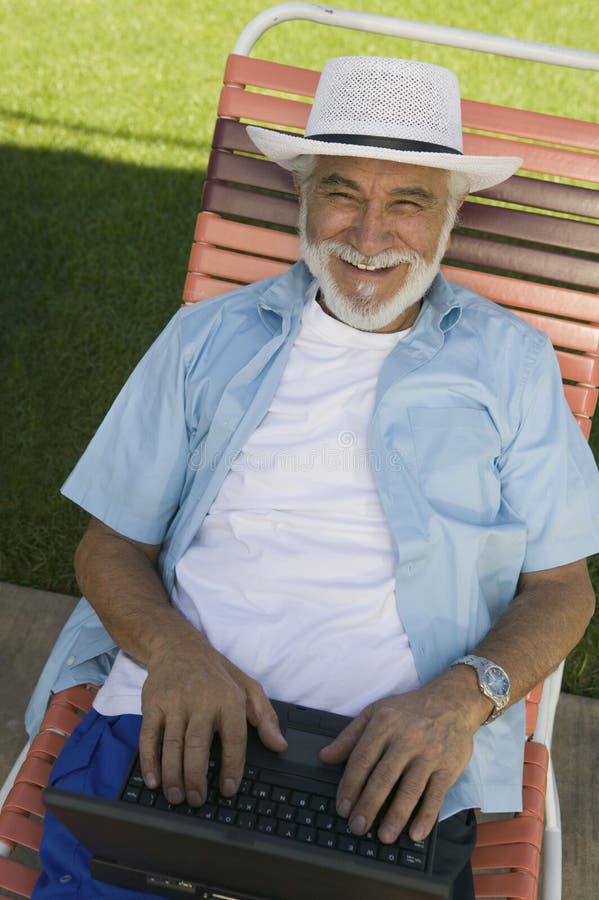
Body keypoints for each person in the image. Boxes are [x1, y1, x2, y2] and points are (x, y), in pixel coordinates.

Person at [31, 56, 599, 899]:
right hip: (173, 721)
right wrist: (174, 654)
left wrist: (457, 701)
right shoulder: (206, 338)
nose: (367, 237)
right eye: (342, 193)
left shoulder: (508, 362)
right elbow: (110, 544)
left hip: (394, 765)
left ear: (451, 213)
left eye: (407, 201)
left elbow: (561, 588)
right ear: (301, 194)